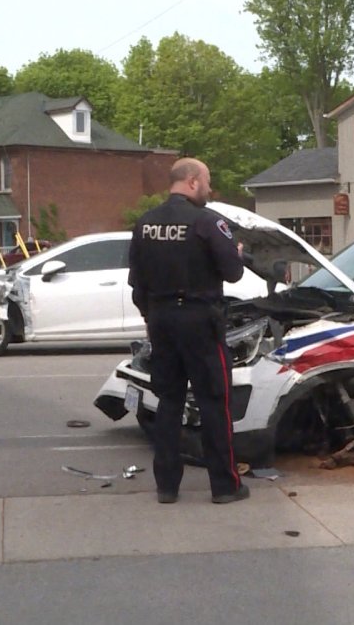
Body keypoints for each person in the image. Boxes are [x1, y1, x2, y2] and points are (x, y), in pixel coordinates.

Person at [127, 158, 250, 505]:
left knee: (168, 402)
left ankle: (166, 485)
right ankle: (225, 486)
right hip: (199, 321)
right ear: (194, 181)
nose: (210, 190)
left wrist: (153, 318)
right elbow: (233, 273)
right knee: (214, 402)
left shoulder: (145, 224)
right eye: (208, 183)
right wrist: (236, 254)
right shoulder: (207, 223)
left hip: (162, 320)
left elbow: (137, 285)